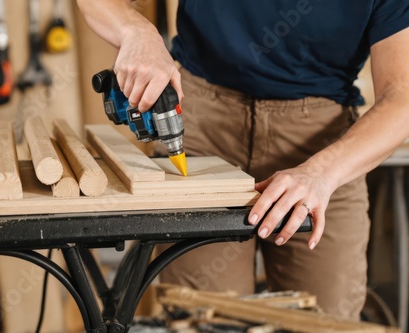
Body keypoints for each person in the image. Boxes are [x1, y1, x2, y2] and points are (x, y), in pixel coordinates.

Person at [77, 0, 409, 320]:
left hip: (322, 148)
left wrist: (321, 173)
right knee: (202, 316)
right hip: (204, 125)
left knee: (327, 318)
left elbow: (402, 98)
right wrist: (137, 32)